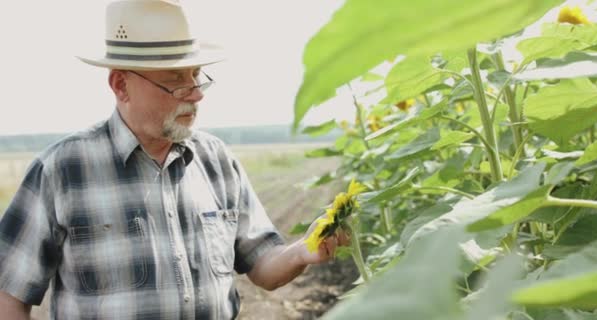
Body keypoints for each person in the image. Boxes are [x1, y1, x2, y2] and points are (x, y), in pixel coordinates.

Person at [0, 1, 346, 319]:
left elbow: (263, 267)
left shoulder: (216, 161)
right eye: (176, 80)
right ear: (121, 85)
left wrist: (303, 250)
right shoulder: (62, 170)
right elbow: (8, 295)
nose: (195, 93)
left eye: (196, 75)